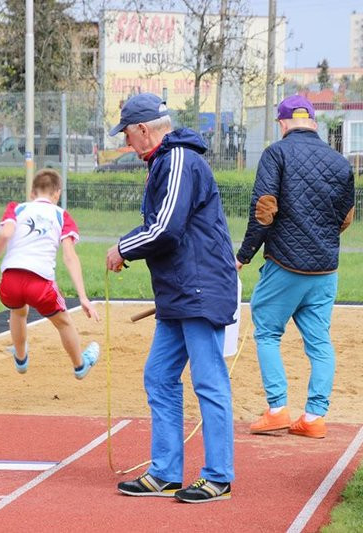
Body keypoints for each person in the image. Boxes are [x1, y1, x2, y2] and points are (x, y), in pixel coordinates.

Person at [105, 93, 237, 503]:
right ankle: (165, 472)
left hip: (199, 290)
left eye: (127, 135)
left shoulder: (178, 158)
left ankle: (218, 476)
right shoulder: (164, 161)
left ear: (144, 129)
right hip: (179, 292)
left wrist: (123, 248)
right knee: (159, 376)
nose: (127, 144)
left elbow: (166, 228)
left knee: (208, 381)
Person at [235, 94, 355, 439]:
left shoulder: (276, 154)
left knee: (267, 332)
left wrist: (243, 254)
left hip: (285, 264)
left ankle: (277, 409)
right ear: (313, 122)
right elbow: (345, 218)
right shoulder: (339, 162)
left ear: (282, 124)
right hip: (325, 268)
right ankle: (314, 416)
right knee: (319, 341)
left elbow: (264, 209)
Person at [0, 168, 100, 379]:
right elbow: (69, 257)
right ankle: (80, 365)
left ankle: (21, 359)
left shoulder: (17, 208)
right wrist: (83, 297)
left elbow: (5, 233)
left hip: (10, 280)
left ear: (32, 193)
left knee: (17, 311)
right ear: (57, 194)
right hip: (40, 282)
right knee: (64, 322)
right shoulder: (62, 215)